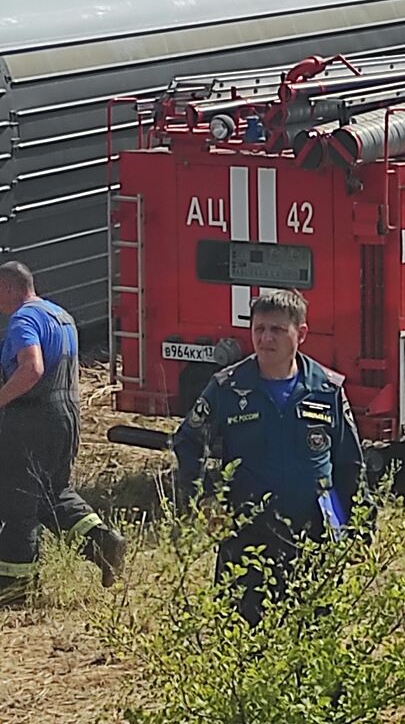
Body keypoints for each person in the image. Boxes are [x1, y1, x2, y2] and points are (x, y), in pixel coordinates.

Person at [172, 289, 366, 625]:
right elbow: (188, 442)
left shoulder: (326, 388)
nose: (265, 338)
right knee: (244, 635)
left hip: (314, 532)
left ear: (300, 334)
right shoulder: (228, 387)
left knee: (314, 632)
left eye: (277, 330)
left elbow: (350, 462)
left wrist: (360, 527)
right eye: (259, 329)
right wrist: (207, 500)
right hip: (248, 531)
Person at [0, 261, 126, 605]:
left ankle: (15, 589)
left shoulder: (23, 319)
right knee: (52, 492)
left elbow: (32, 367)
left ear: (10, 288)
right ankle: (102, 541)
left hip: (31, 421)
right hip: (66, 416)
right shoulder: (60, 315)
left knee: (17, 500)